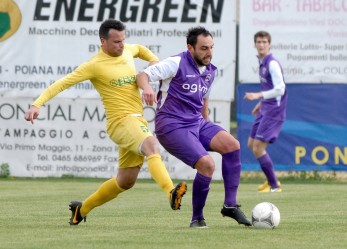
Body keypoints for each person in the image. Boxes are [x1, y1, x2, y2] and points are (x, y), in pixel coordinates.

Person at [24, 19, 187, 225]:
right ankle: (171, 192)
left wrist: (154, 61)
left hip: (136, 121)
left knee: (125, 181)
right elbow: (62, 83)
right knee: (151, 146)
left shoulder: (127, 50)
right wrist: (36, 105)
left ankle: (80, 210)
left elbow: (140, 49)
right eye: (116, 42)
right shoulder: (94, 65)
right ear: (103, 41)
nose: (121, 45)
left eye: (123, 40)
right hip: (120, 122)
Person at [136, 26, 251, 228]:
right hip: (171, 125)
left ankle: (230, 206)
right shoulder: (176, 63)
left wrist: (206, 126)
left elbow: (203, 101)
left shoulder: (209, 71)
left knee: (232, 145)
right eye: (204, 48)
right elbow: (142, 75)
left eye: (211, 48)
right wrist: (146, 88)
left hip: (196, 122)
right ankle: (197, 218)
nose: (209, 53)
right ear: (190, 47)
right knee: (207, 165)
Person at [244, 31, 287, 193]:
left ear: (269, 44)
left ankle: (275, 185)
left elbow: (280, 89)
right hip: (266, 108)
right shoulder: (262, 63)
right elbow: (270, 88)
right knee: (251, 144)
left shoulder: (272, 63)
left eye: (264, 42)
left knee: (258, 147)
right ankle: (270, 181)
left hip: (274, 111)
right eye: (259, 42)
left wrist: (258, 96)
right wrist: (261, 103)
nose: (261, 44)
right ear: (255, 44)